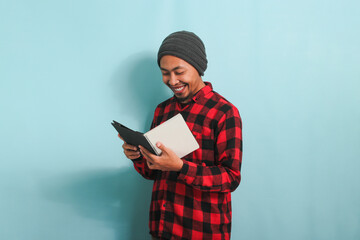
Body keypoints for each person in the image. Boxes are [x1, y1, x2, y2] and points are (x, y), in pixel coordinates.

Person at [119, 31, 242, 240]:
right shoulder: (162, 111)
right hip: (162, 228)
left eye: (179, 71)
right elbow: (152, 173)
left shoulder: (224, 112)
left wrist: (181, 167)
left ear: (198, 67)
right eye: (165, 72)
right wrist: (138, 156)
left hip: (201, 232)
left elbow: (230, 178)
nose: (172, 80)